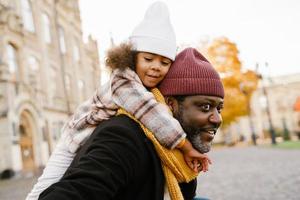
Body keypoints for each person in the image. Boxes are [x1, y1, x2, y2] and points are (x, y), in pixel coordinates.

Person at [26, 2, 210, 199]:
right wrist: (186, 147)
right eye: (148, 59)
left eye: (164, 63)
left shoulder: (151, 90)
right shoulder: (123, 81)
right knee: (44, 187)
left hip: (94, 134)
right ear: (132, 59)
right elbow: (151, 114)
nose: (156, 67)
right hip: (75, 137)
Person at [38, 47, 225, 200]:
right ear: (170, 104)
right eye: (205, 106)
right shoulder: (123, 138)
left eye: (219, 108)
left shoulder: (180, 151)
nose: (217, 118)